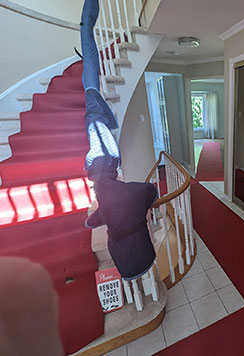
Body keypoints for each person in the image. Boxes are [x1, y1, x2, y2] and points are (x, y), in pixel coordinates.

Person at [80, 0, 158, 280]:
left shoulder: (125, 195)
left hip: (99, 130)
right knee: (89, 59)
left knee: (89, 59)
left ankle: (87, 19)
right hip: (98, 139)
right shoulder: (111, 202)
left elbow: (150, 192)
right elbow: (94, 219)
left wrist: (144, 210)